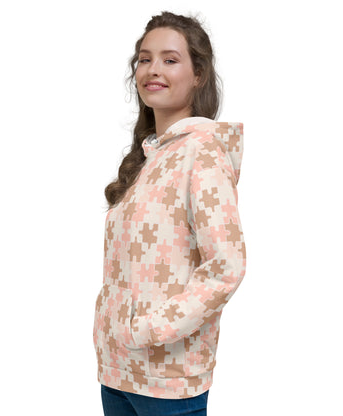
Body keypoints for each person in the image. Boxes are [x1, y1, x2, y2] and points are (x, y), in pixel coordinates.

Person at [93, 10, 246, 416]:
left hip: (169, 380)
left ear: (199, 75)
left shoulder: (203, 152)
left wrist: (153, 328)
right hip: (118, 372)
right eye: (145, 59)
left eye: (170, 59)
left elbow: (226, 266)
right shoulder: (149, 157)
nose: (153, 69)